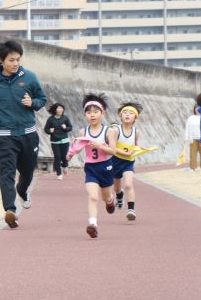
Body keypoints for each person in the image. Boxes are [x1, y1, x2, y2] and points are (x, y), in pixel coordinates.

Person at [0, 40, 47, 229]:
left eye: (18, 59)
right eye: (11, 60)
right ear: (1, 60)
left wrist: (32, 103)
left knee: (27, 172)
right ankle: (10, 210)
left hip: (28, 134)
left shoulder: (30, 77)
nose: (16, 63)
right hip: (5, 135)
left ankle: (22, 191)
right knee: (6, 173)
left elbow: (42, 99)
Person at [66, 93, 118, 238]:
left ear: (102, 113)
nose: (92, 115)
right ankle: (92, 224)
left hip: (106, 167)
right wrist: (70, 155)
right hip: (91, 168)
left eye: (95, 112)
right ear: (85, 115)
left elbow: (113, 151)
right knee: (93, 196)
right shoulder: (83, 131)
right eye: (89, 112)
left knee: (106, 197)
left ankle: (110, 201)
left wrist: (100, 145)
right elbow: (77, 146)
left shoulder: (109, 131)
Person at [111, 102, 147, 221]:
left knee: (128, 184)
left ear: (135, 118)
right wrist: (125, 153)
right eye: (125, 113)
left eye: (131, 113)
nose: (127, 115)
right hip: (115, 161)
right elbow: (112, 147)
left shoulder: (136, 132)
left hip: (128, 162)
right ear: (120, 116)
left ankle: (131, 209)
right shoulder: (116, 130)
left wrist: (140, 149)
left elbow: (136, 145)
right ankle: (119, 195)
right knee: (116, 188)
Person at [44, 103, 72, 179]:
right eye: (59, 108)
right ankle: (59, 174)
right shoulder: (51, 119)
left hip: (64, 141)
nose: (60, 110)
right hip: (55, 141)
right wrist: (50, 131)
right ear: (55, 110)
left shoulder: (65, 118)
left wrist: (65, 128)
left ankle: (65, 166)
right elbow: (46, 129)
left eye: (61, 108)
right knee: (57, 157)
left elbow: (70, 127)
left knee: (64, 157)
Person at [185, 105, 201, 171]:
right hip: (193, 138)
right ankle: (193, 167)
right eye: (196, 108)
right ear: (194, 109)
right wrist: (187, 137)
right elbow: (187, 127)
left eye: (198, 108)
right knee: (192, 153)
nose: (197, 110)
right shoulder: (191, 118)